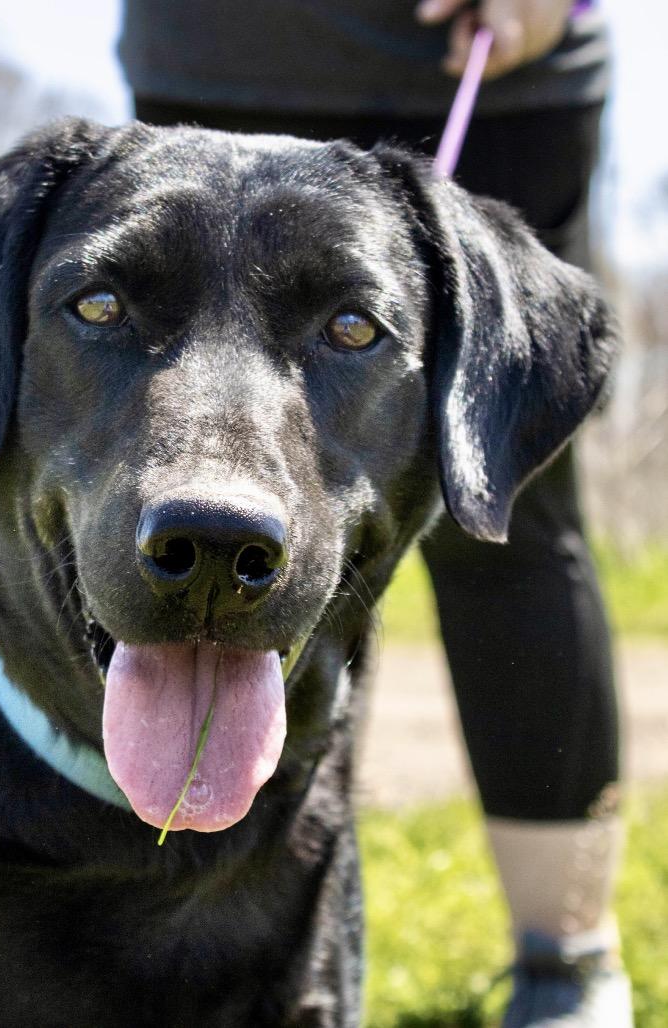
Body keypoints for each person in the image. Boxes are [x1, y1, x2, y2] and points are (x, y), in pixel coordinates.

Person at [118, 2, 630, 1025]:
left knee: (505, 509)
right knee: (231, 484)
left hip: (493, 58)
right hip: (222, 58)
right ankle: (274, 947)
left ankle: (565, 960)